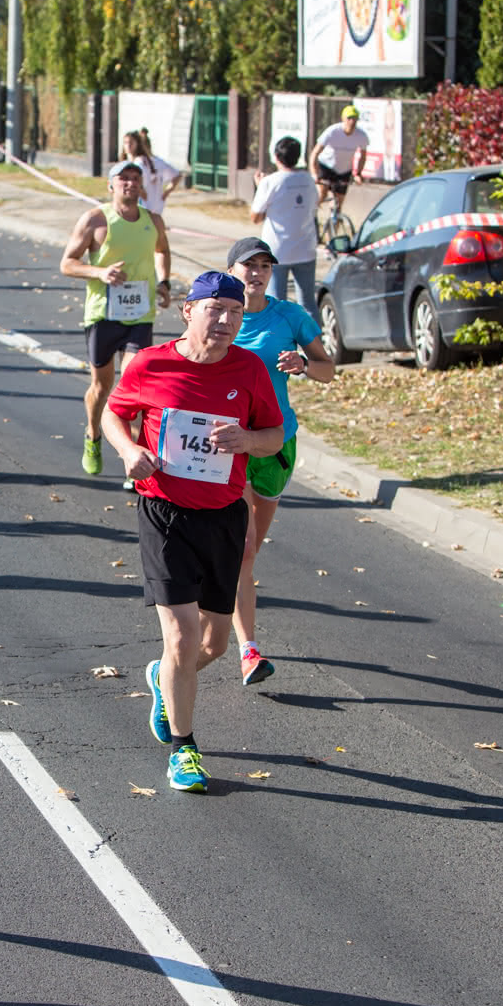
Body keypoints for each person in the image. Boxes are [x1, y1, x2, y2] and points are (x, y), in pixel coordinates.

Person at [100, 271, 283, 793]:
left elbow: (274, 437)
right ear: (188, 310)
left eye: (235, 312)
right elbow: (116, 413)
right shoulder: (151, 363)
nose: (225, 320)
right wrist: (130, 450)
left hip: (223, 514)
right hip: (164, 513)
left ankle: (162, 678)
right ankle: (184, 749)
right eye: (215, 309)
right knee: (179, 636)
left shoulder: (248, 369)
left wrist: (246, 439)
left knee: (215, 644)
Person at [225, 238, 335, 684]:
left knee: (248, 551)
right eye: (248, 265)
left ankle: (224, 598)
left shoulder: (290, 316)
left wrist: (304, 363)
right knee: (244, 547)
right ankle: (248, 649)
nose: (257, 272)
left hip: (275, 441)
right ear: (231, 270)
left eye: (264, 266)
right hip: (230, 443)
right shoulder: (220, 314)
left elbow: (329, 369)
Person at [58, 160, 173, 476]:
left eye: (136, 179)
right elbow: (67, 263)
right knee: (101, 385)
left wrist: (163, 283)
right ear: (111, 185)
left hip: (140, 314)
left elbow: (162, 250)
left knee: (135, 383)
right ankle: (93, 434)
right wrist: (100, 272)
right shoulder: (96, 219)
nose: (131, 184)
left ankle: (133, 458)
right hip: (102, 313)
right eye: (124, 179)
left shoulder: (154, 221)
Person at [250, 136, 319, 308]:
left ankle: (282, 335)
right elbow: (314, 206)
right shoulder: (308, 179)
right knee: (308, 303)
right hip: (306, 247)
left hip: (278, 250)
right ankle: (313, 335)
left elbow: (255, 217)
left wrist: (260, 188)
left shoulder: (270, 182)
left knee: (276, 303)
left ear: (276, 157)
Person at [310, 106, 369, 206]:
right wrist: (314, 173)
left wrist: (358, 174)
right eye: (349, 118)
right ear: (343, 119)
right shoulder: (332, 131)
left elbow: (363, 156)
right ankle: (311, 214)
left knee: (338, 203)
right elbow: (315, 153)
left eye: (355, 119)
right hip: (326, 167)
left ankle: (335, 220)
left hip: (344, 171)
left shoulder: (361, 135)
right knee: (322, 194)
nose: (352, 121)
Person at [120, 129, 181, 216]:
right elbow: (177, 175)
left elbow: (139, 187)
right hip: (155, 208)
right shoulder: (153, 161)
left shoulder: (140, 162)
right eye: (125, 143)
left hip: (143, 209)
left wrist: (164, 194)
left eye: (131, 142)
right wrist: (164, 195)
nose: (128, 146)